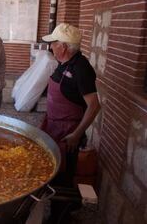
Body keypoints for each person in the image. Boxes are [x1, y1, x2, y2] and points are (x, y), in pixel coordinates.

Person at [41, 23, 101, 187]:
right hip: (53, 126)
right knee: (52, 169)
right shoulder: (64, 63)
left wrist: (76, 134)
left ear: (64, 46)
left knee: (63, 177)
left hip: (68, 135)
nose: (51, 46)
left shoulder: (81, 69)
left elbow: (94, 106)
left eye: (53, 43)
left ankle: (63, 211)